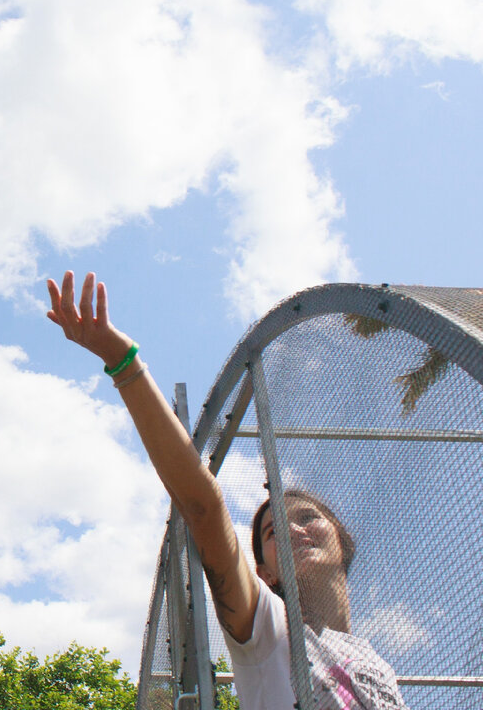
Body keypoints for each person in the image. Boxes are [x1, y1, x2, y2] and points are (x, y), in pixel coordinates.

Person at [46, 271, 407, 710]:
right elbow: (203, 507)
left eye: (308, 516)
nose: (294, 530)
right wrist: (122, 361)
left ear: (343, 540)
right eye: (273, 532)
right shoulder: (268, 631)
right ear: (265, 574)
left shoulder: (376, 666)